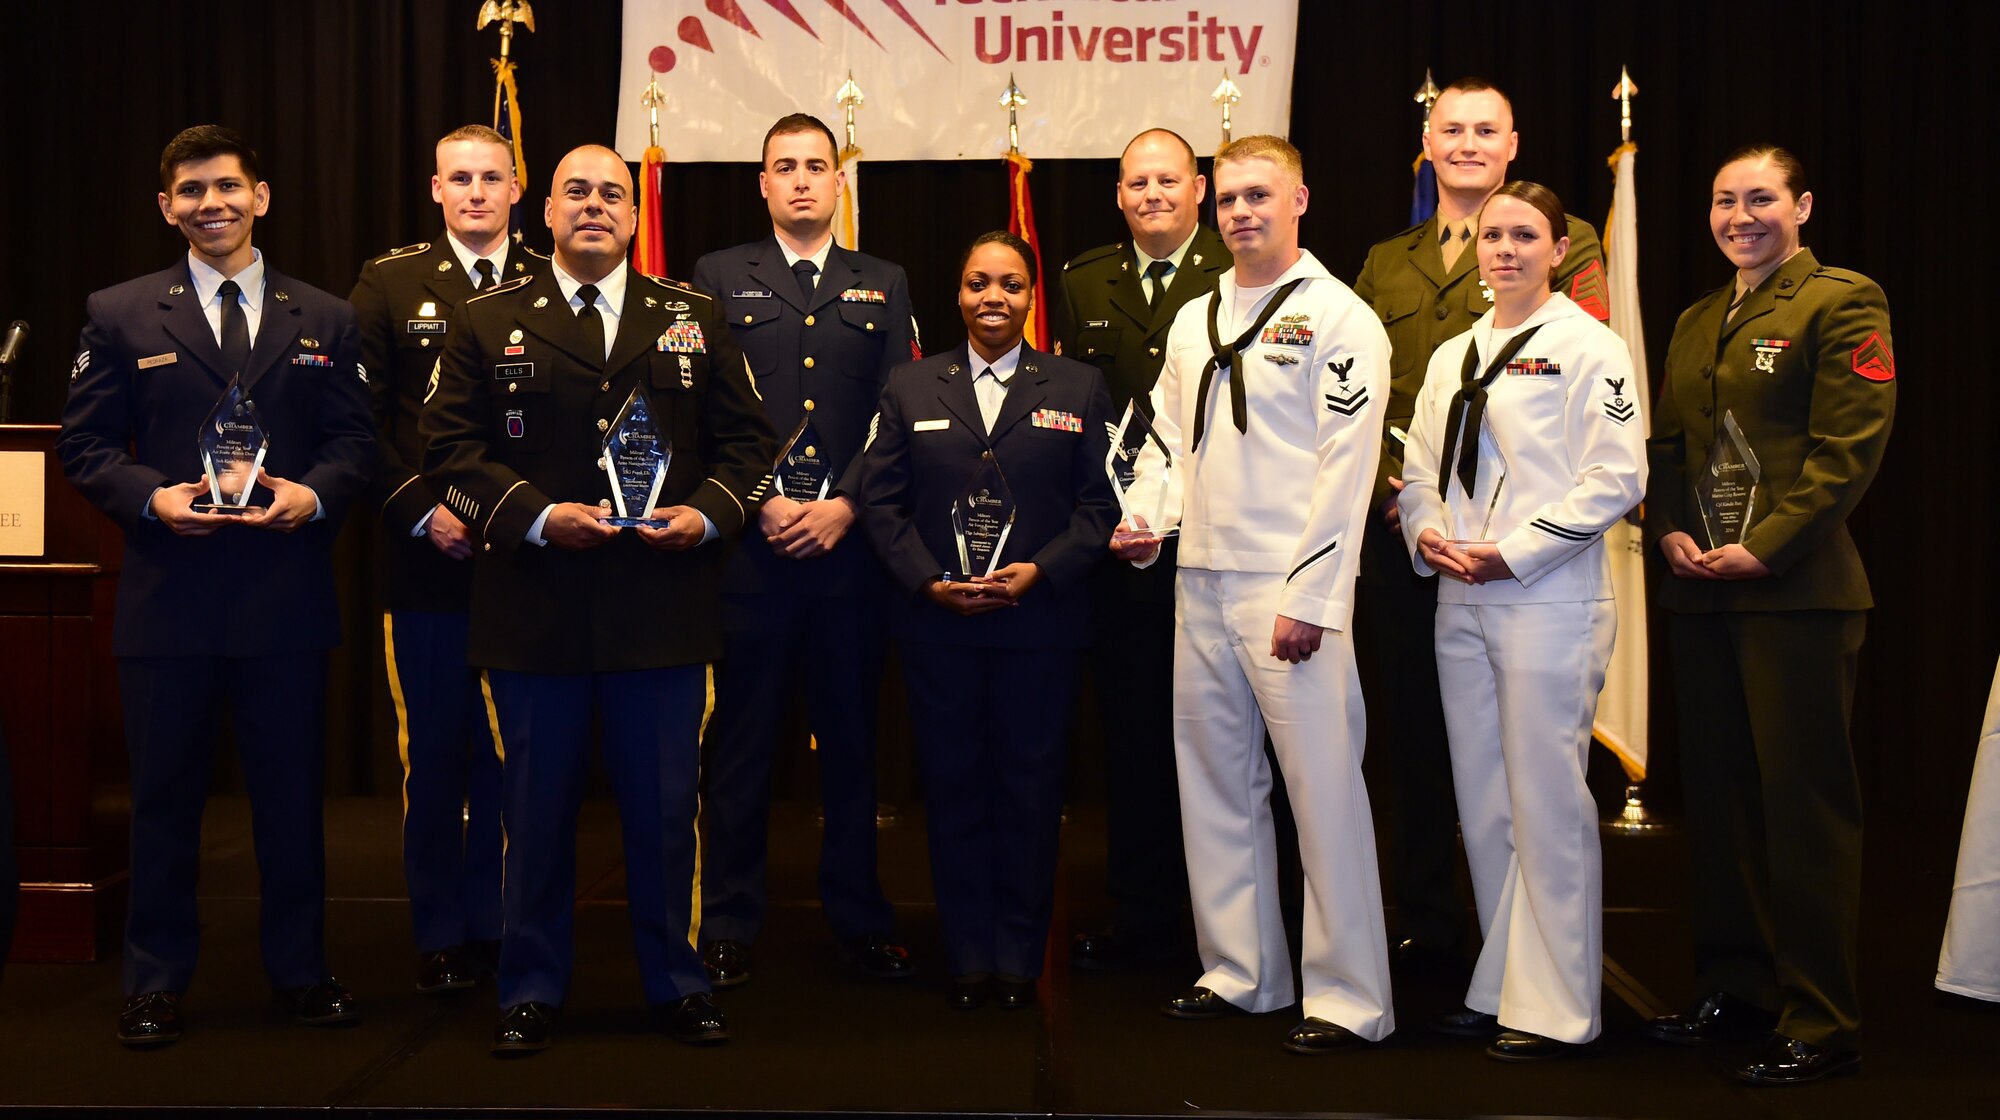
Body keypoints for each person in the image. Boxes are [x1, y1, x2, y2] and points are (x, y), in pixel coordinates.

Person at [421, 144, 776, 1055]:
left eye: (611, 194)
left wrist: (703, 520)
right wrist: (536, 518)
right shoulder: (486, 317)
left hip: (663, 609)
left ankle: (678, 982)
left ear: (633, 214)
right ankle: (531, 986)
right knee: (532, 813)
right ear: (545, 210)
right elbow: (449, 448)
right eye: (575, 191)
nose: (593, 206)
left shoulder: (690, 315)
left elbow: (750, 446)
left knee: (665, 813)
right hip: (534, 608)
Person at [56, 125, 375, 1047]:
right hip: (170, 599)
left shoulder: (325, 317)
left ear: (261, 196)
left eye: (227, 187)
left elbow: (355, 445)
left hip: (284, 598)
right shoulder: (117, 314)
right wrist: (152, 500)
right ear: (167, 207)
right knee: (163, 805)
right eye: (191, 192)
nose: (212, 205)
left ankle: (301, 973)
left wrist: (311, 496)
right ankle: (154, 982)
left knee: (289, 805)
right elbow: (82, 447)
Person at [1113, 135, 1393, 1053]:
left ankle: (1351, 997)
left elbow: (1346, 469)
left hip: (1288, 589)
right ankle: (1242, 972)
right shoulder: (1195, 318)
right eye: (1228, 198)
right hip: (1202, 579)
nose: (1240, 213)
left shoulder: (1342, 318)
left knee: (1323, 796)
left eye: (1258, 196)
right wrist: (1146, 519)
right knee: (1215, 787)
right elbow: (1162, 439)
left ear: (1299, 199)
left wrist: (1311, 599)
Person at [1643, 144, 1894, 1087]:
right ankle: (1737, 987)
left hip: (1796, 594)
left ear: (1803, 206)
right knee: (1720, 804)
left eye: (1760, 199)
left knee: (1804, 811)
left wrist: (1769, 544)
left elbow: (1849, 448)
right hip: (1700, 591)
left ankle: (1822, 1019)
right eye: (1723, 200)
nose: (1740, 215)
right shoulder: (1701, 315)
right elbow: (1668, 444)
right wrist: (1667, 529)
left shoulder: (1841, 299)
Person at [1352, 77, 1609, 971]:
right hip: (1406, 537)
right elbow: (1358, 394)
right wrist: (1399, 493)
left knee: (1521, 766)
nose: (1466, 143)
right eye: (1450, 129)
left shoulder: (1563, 253)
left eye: (1484, 130)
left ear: (1513, 144)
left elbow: (1586, 425)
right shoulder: (1387, 260)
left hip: (1519, 556)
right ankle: (1433, 919)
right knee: (1422, 739)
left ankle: (1536, 957)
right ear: (1427, 142)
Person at [1398, 182, 1646, 1061]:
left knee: (1546, 801)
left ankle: (1560, 1004)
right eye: (1492, 234)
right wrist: (1428, 534)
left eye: (1523, 235)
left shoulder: (1590, 348)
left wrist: (1518, 549)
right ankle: (1503, 980)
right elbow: (1420, 464)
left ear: (1558, 250)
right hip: (1461, 592)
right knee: (1487, 805)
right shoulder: (1456, 352)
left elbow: (1617, 476)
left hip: (1547, 597)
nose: (1503, 248)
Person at [859, 231, 1117, 1010]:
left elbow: (1100, 506)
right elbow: (880, 503)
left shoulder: (1078, 386)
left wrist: (1040, 572)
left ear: (1032, 295)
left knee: (1031, 794)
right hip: (940, 630)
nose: (992, 298)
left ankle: (1019, 955)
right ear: (958, 294)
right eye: (977, 284)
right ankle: (969, 953)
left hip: (1039, 628)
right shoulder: (910, 386)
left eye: (1008, 284)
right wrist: (927, 581)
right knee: (954, 789)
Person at [690, 114, 916, 989]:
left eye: (815, 166)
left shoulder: (883, 281)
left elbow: (899, 414)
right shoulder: (717, 276)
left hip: (849, 558)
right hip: (751, 553)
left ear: (837, 181)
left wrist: (849, 505)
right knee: (741, 746)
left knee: (853, 747)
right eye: (783, 166)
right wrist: (763, 501)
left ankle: (859, 918)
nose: (799, 181)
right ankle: (730, 920)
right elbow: (705, 412)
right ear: (762, 182)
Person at [349, 123, 548, 995]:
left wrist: (526, 518)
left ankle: (505, 921)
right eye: (459, 178)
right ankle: (438, 928)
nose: (475, 192)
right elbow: (358, 421)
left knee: (522, 757)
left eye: (491, 178)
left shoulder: (554, 279)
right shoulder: (389, 283)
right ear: (435, 189)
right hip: (427, 561)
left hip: (528, 564)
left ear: (517, 188)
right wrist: (421, 511)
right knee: (434, 753)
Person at [1055, 127, 1226, 971]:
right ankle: (1140, 913)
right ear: (1119, 195)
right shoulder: (1085, 278)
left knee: (1222, 742)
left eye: (1169, 179)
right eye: (1137, 182)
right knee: (1131, 739)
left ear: (1200, 188)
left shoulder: (1237, 271)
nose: (1152, 193)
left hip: (1217, 549)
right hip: (1120, 553)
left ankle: (1224, 922)